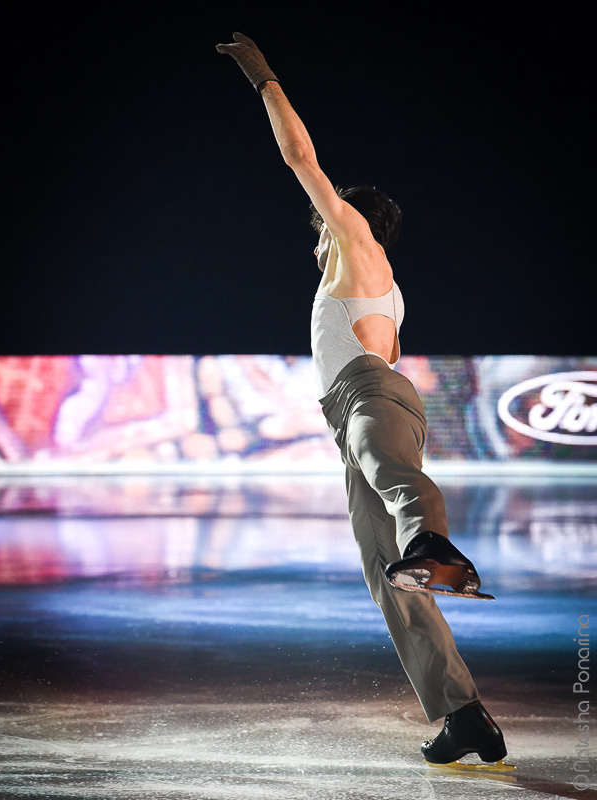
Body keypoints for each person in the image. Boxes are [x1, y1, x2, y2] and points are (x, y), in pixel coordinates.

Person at [216, 32, 509, 769]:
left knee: (388, 470)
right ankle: (462, 712)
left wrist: (264, 79)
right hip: (357, 408)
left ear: (347, 225)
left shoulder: (357, 245)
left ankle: (435, 545)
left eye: (324, 227)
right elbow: (382, 352)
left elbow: (301, 161)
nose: (317, 241)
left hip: (371, 401)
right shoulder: (378, 287)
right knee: (387, 578)